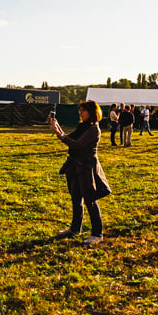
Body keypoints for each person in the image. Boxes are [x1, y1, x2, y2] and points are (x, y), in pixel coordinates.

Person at [50, 101, 111, 245]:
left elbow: (76, 144)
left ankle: (97, 233)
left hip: (87, 167)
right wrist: (56, 126)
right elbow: (68, 138)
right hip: (76, 166)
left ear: (92, 112)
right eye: (80, 110)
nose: (80, 113)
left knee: (90, 200)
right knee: (76, 198)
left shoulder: (93, 129)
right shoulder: (82, 126)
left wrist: (59, 132)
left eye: (83, 110)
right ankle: (75, 228)